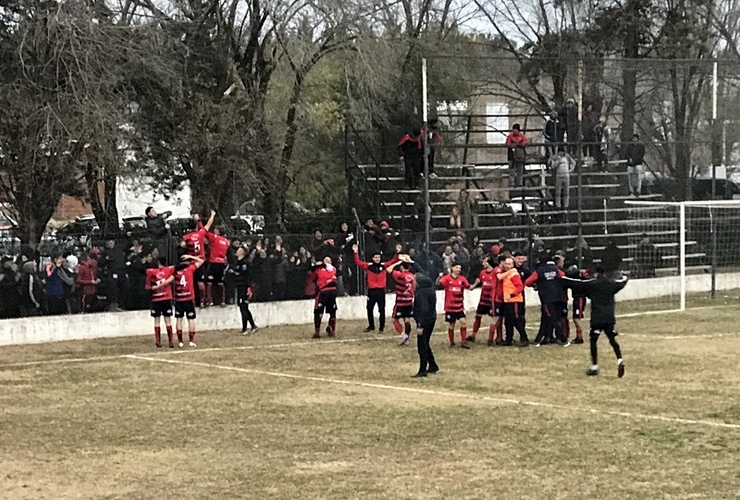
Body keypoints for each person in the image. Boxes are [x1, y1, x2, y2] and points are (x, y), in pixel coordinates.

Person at [562, 268, 628, 377]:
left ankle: (595, 365)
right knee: (612, 339)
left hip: (597, 317)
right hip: (609, 317)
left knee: (593, 340)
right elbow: (622, 282)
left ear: (596, 274)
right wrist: (625, 276)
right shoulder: (611, 284)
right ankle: (619, 359)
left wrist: (563, 279)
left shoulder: (593, 284)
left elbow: (578, 283)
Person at [524, 256, 570, 347]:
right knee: (556, 318)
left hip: (547, 299)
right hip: (559, 297)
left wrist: (536, 285)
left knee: (552, 318)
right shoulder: (556, 270)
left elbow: (527, 282)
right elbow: (564, 277)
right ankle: (546, 337)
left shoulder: (539, 271)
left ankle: (563, 339)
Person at [353, 243, 398, 333]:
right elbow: (358, 262)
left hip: (381, 290)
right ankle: (371, 325)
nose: (377, 259)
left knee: (382, 309)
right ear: (372, 258)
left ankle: (381, 327)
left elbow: (393, 261)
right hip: (372, 291)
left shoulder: (384, 265)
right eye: (376, 257)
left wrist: (397, 253)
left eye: (378, 257)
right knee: (369, 308)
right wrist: (355, 252)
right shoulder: (368, 266)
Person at [181, 210, 216, 306]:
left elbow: (182, 245)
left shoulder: (186, 236)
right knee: (201, 281)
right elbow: (208, 224)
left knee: (192, 281)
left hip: (191, 261)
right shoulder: (200, 233)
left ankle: (191, 300)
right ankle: (202, 301)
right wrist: (212, 215)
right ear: (196, 226)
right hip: (201, 260)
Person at [174, 254, 205, 348]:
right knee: (190, 319)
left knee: (179, 319)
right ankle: (191, 340)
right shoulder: (190, 269)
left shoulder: (175, 271)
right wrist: (191, 257)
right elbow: (201, 261)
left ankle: (180, 341)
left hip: (179, 298)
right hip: (189, 298)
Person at [497, 256, 529, 346]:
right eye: (506, 264)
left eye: (509, 264)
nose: (507, 266)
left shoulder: (513, 273)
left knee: (516, 320)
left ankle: (524, 338)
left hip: (515, 300)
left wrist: (512, 295)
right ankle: (508, 339)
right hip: (508, 301)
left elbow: (520, 286)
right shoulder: (508, 273)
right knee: (508, 321)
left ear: (512, 265)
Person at [145, 257, 176, 348]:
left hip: (156, 299)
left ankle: (158, 341)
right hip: (166, 298)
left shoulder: (150, 272)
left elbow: (148, 287)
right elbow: (176, 270)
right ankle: (171, 341)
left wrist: (154, 287)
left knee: (157, 321)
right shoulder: (169, 269)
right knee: (168, 320)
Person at [438, 262, 470, 349]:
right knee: (452, 324)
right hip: (450, 306)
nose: (458, 269)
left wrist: (476, 283)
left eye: (459, 268)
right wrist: (439, 277)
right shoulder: (447, 278)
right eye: (457, 268)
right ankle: (452, 342)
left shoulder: (462, 279)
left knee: (463, 322)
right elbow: (438, 284)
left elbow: (469, 287)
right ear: (452, 268)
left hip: (459, 306)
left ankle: (463, 341)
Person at [412, 272, 439, 377]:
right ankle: (432, 364)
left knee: (422, 345)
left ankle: (422, 369)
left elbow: (424, 309)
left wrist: (420, 325)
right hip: (431, 318)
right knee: (425, 343)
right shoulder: (430, 289)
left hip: (425, 321)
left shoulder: (421, 293)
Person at [386, 256, 416, 346]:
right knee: (407, 319)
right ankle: (407, 337)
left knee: (395, 319)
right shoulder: (411, 275)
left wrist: (397, 263)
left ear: (401, 266)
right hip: (409, 300)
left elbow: (388, 269)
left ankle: (404, 336)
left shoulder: (399, 275)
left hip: (400, 301)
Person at [467, 255, 497, 343]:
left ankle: (491, 338)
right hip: (483, 299)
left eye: (484, 262)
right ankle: (473, 335)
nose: (482, 263)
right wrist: (473, 285)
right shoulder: (482, 272)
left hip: (492, 299)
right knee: (478, 316)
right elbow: (479, 281)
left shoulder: (495, 272)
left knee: (495, 318)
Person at [310, 256, 338, 339]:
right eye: (325, 259)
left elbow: (314, 278)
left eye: (329, 259)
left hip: (328, 291)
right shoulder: (320, 270)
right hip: (325, 292)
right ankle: (319, 331)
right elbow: (313, 278)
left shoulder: (333, 269)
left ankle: (331, 329)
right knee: (320, 311)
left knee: (330, 311)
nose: (327, 261)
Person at [233, 245, 258, 334]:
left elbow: (248, 276)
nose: (237, 251)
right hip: (239, 286)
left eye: (239, 249)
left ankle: (246, 328)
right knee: (242, 307)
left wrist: (248, 287)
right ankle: (251, 326)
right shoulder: (237, 262)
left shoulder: (245, 263)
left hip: (244, 287)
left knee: (244, 307)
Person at [204, 226, 231, 307]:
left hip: (214, 262)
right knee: (220, 282)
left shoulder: (215, 237)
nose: (214, 230)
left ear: (218, 232)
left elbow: (205, 232)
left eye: (215, 229)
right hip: (221, 263)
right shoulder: (226, 241)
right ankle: (223, 300)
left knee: (209, 282)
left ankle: (210, 300)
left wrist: (199, 222)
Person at [566, 264, 590, 344]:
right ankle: (578, 336)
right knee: (576, 317)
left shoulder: (577, 280)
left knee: (576, 318)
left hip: (579, 298)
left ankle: (580, 337)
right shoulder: (578, 280)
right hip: (578, 298)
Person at [505, 124, 528, 188]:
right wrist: (517, 145)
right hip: (511, 155)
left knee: (520, 170)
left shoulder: (522, 136)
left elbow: (525, 143)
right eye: (513, 130)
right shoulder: (510, 136)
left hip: (520, 156)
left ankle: (519, 183)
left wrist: (517, 145)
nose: (514, 131)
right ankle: (512, 183)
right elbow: (508, 144)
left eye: (516, 130)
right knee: (511, 170)